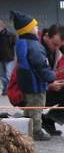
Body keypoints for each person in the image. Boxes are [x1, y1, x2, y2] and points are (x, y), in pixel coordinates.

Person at [11, 11, 56, 141]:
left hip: (26, 81)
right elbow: (40, 64)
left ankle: (25, 127)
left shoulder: (21, 42)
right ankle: (36, 130)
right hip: (35, 83)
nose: (37, 29)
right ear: (29, 29)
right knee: (37, 107)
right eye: (35, 26)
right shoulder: (34, 45)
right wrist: (51, 76)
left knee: (29, 106)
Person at [0, 19, 16, 96]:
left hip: (9, 58)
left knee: (8, 74)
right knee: (2, 76)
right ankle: (5, 89)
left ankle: (10, 90)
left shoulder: (10, 35)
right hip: (1, 59)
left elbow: (14, 45)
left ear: (2, 26)